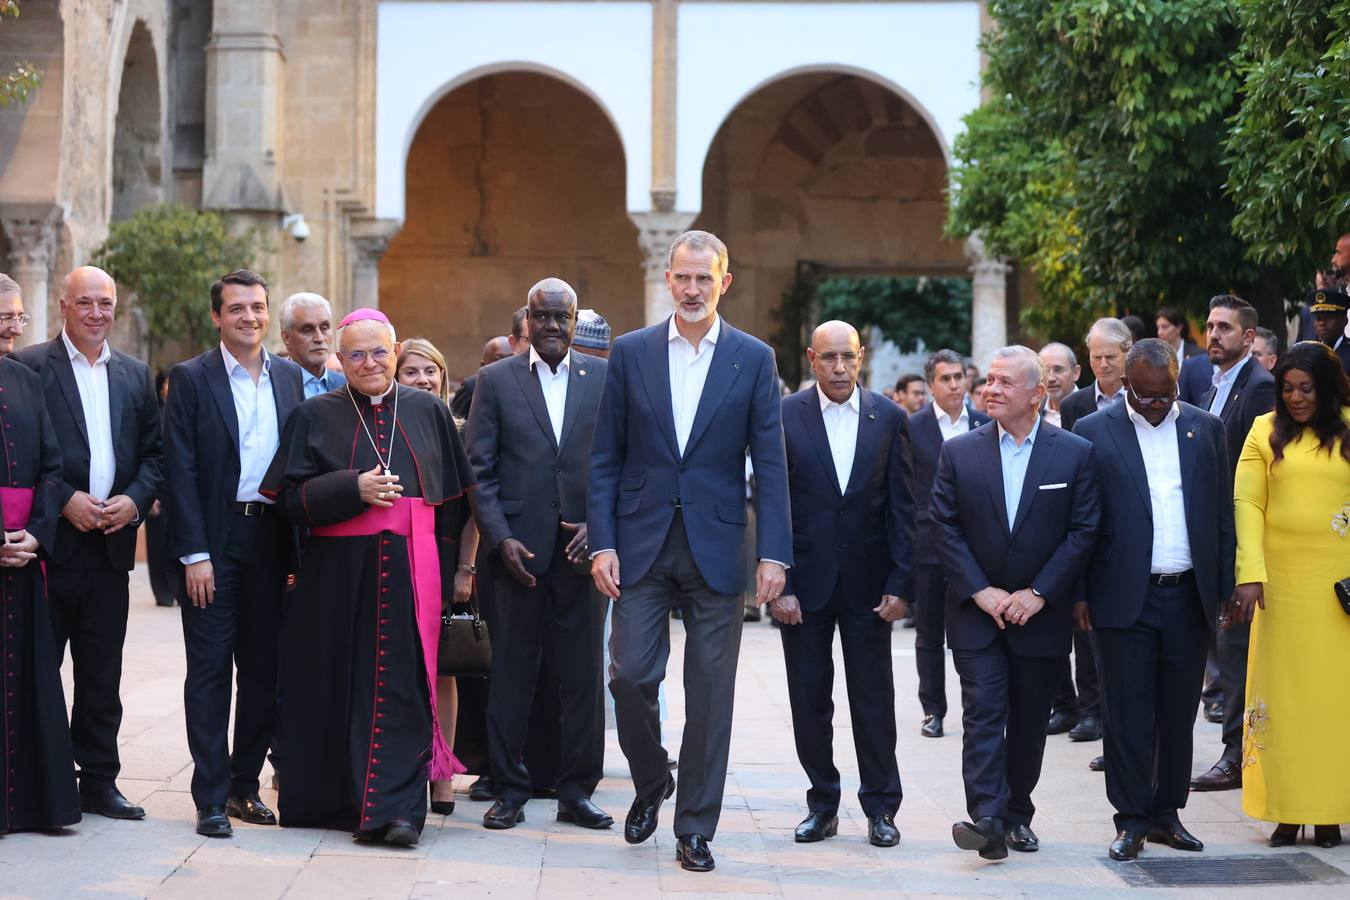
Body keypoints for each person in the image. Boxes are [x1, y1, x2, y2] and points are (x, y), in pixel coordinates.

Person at [589, 229, 791, 873]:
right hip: (641, 542)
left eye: (706, 278)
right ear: (668, 280)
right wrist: (603, 544)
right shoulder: (631, 352)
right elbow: (605, 458)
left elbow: (773, 463)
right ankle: (652, 780)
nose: (693, 288)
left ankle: (695, 828)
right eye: (684, 277)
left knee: (711, 694)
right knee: (627, 677)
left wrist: (775, 554)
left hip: (718, 546)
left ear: (723, 282)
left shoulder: (754, 359)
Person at [260, 309, 475, 845]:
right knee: (341, 685)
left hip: (412, 571)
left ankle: (399, 813)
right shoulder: (315, 414)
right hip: (336, 575)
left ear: (395, 350)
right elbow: (287, 501)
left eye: (378, 351)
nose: (369, 363)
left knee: (405, 687)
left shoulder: (428, 411)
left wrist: (453, 574)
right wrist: (349, 489)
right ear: (340, 358)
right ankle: (341, 802)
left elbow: (451, 505)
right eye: (355, 354)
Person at [930, 345, 1099, 860]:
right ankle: (986, 817)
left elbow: (1083, 529)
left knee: (1028, 720)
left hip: (1039, 616)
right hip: (975, 613)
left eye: (1005, 382)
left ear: (1038, 393)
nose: (991, 390)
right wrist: (980, 590)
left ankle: (1016, 812)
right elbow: (944, 524)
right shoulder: (959, 451)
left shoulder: (1073, 452)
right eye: (991, 381)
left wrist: (1039, 593)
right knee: (982, 712)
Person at [11, 266, 163, 822]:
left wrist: (135, 500)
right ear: (63, 306)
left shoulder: (135, 373)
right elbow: (21, 457)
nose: (96, 313)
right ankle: (33, 782)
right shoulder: (28, 368)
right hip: (49, 548)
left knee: (103, 674)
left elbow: (154, 456)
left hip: (110, 549)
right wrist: (64, 498)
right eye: (85, 303)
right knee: (38, 669)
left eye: (105, 303)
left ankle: (99, 781)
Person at [1073, 339, 1233, 861]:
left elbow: (1220, 516)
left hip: (1187, 595)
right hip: (1124, 598)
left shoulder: (1205, 429)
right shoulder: (1093, 433)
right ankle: (1131, 819)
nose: (1156, 406)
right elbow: (1082, 523)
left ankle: (1167, 813)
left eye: (1165, 396)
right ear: (1126, 386)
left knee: (1178, 711)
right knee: (1127, 714)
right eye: (1145, 397)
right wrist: (1079, 594)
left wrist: (1226, 589)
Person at [163, 269, 305, 837]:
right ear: (218, 316)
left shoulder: (291, 378)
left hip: (273, 539)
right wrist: (193, 553)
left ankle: (247, 785)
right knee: (210, 670)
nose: (250, 317)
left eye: (258, 307)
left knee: (265, 671)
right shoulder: (191, 379)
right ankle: (212, 797)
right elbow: (181, 470)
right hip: (215, 542)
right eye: (238, 308)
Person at [466, 278, 610, 832]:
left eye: (562, 317)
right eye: (543, 316)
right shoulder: (495, 381)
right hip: (514, 558)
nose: (552, 327)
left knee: (581, 679)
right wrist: (500, 540)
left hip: (582, 558)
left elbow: (620, 465)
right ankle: (509, 789)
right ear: (526, 319)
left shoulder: (601, 378)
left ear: (575, 323)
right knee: (511, 676)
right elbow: (478, 469)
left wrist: (598, 528)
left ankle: (577, 791)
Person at [772, 321, 914, 848]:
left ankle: (881, 808)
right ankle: (823, 803)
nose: (838, 368)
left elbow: (904, 506)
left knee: (873, 699)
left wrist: (901, 582)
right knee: (810, 699)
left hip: (868, 586)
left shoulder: (889, 417)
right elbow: (774, 505)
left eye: (847, 358)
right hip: (801, 588)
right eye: (828, 357)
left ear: (862, 358)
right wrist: (777, 580)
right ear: (811, 358)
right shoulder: (784, 416)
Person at [1225, 342, 1350, 849]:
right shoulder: (1262, 430)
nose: (1296, 398)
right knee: (1282, 700)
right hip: (1280, 590)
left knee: (1331, 703)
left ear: (1327, 388)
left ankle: (1328, 813)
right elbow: (1248, 501)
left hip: (1337, 589)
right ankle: (1284, 811)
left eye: (1306, 388)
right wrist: (1249, 573)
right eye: (1288, 388)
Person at [1182, 296, 1277, 794]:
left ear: (1248, 338)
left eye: (1225, 328)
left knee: (1237, 652)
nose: (1213, 334)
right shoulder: (1207, 383)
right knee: (1220, 650)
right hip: (1209, 540)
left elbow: (1248, 478)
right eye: (1211, 325)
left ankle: (1237, 754)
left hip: (1239, 543)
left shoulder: (1260, 389)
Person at [0, 274, 81, 835]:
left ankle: (29, 803)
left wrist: (36, 533)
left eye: (20, 316)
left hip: (23, 558)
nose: (14, 326)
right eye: (5, 315)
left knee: (26, 680)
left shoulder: (24, 380)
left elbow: (52, 467)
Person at [395, 337, 476, 817]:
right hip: (396, 557)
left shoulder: (459, 430)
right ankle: (405, 765)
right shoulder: (382, 428)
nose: (423, 379)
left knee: (442, 669)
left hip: (445, 560)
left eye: (432, 371)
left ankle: (442, 776)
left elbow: (473, 510)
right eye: (412, 371)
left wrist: (464, 569)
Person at [1051, 317, 1132, 743]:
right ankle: (1091, 710)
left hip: (1131, 525)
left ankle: (1118, 718)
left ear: (1127, 354)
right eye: (1095, 357)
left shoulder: (1146, 396)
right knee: (1084, 622)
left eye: (1110, 357)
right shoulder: (1075, 406)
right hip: (1088, 524)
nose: (1102, 364)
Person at [908, 350, 990, 739]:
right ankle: (933, 710)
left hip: (975, 547)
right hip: (927, 544)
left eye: (959, 377)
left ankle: (977, 706)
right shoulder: (913, 427)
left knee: (973, 631)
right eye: (946, 379)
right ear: (931, 385)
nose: (955, 385)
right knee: (928, 632)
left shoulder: (985, 423)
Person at [278, 292, 346, 398]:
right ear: (286, 337)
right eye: (307, 330)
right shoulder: (273, 386)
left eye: (324, 327)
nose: (319, 338)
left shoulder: (345, 386)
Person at [449, 336, 512, 421]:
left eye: (511, 358)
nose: (505, 364)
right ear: (483, 365)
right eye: (499, 359)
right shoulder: (472, 386)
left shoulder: (523, 385)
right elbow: (456, 424)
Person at [1307, 288, 1350, 374]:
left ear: (1344, 320)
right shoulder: (1309, 354)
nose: (1322, 323)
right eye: (1318, 318)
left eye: (1328, 317)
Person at [1039, 343, 1081, 427]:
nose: (1050, 378)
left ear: (1076, 372)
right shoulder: (1033, 413)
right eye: (1045, 371)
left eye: (1058, 370)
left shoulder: (1092, 409)